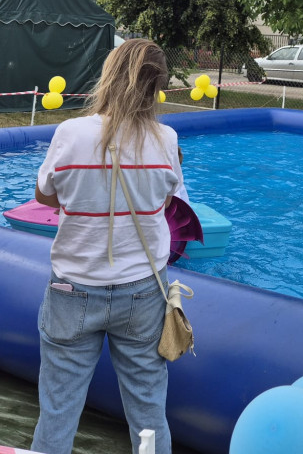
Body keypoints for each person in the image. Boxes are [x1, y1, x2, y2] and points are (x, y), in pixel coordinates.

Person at [31, 39, 186, 454]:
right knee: (149, 408)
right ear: (157, 86)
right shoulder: (166, 139)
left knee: (59, 409)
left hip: (74, 286)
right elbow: (165, 204)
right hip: (142, 289)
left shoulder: (71, 133)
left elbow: (45, 195)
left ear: (109, 75)